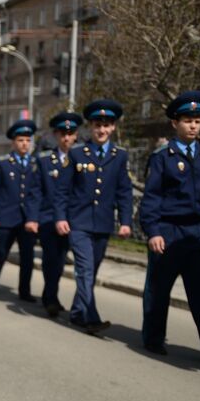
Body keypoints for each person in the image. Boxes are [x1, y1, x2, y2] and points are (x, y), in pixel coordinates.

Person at [139, 91, 200, 362]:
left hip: (199, 234)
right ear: (175, 123)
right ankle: (153, 339)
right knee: (158, 291)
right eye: (187, 121)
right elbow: (151, 198)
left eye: (197, 121)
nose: (193, 126)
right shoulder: (162, 156)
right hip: (168, 232)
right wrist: (153, 231)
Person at [53, 100, 133, 336]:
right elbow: (62, 190)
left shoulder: (120, 155)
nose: (102, 130)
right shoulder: (77, 153)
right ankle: (92, 317)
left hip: (103, 223)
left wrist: (126, 221)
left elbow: (124, 191)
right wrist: (60, 217)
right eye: (97, 125)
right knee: (85, 270)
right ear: (90, 127)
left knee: (92, 271)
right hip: (78, 223)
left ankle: (78, 312)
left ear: (113, 127)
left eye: (106, 125)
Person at [0, 120, 42, 299]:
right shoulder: (2, 163)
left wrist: (35, 217)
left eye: (28, 140)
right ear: (13, 142)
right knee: (0, 252)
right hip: (6, 217)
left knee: (27, 256)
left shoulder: (35, 163)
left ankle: (25, 291)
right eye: (21, 140)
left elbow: (37, 192)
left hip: (27, 218)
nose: (25, 144)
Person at [37, 112, 81, 318]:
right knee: (51, 261)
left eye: (70, 134)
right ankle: (51, 299)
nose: (66, 138)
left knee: (64, 262)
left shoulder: (83, 159)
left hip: (75, 219)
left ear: (76, 135)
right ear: (56, 135)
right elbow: (36, 191)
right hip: (48, 219)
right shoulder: (45, 160)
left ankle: (56, 298)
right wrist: (33, 218)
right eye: (63, 134)